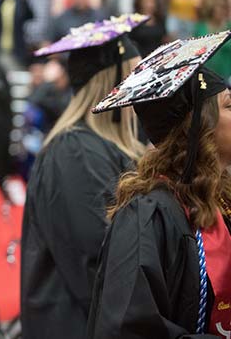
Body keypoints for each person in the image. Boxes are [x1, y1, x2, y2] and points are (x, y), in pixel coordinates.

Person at [88, 31, 231, 338]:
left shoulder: (222, 200)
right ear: (199, 125)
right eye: (229, 104)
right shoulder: (148, 216)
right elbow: (128, 329)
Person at [21, 14, 149, 338]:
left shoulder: (114, 147)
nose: (145, 87)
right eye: (136, 74)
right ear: (112, 84)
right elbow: (98, 261)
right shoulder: (74, 153)